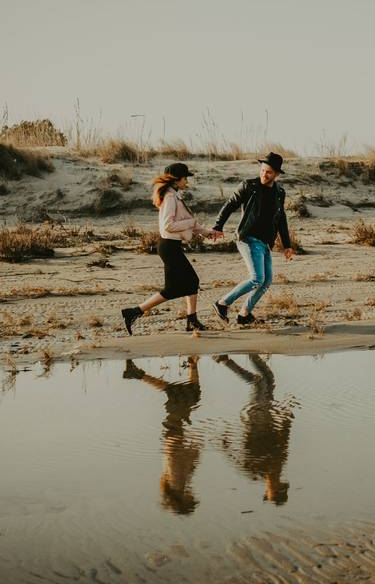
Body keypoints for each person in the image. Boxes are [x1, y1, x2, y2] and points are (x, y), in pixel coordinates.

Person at [121, 163, 220, 335]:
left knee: (191, 282)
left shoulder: (175, 196)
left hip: (171, 247)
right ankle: (134, 312)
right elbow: (169, 226)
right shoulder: (170, 197)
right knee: (174, 289)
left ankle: (192, 321)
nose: (187, 182)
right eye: (185, 178)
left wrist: (206, 232)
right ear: (177, 179)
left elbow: (186, 222)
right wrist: (192, 223)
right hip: (168, 247)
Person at [211, 152, 295, 325]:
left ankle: (244, 314)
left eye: (269, 172)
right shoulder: (249, 186)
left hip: (265, 242)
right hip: (248, 238)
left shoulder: (280, 192)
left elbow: (281, 219)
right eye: (263, 170)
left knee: (266, 281)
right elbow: (229, 205)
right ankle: (222, 303)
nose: (264, 174)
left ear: (277, 174)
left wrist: (287, 245)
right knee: (257, 278)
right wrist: (218, 226)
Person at [123, 357, 202, 515]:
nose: (192, 496)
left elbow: (176, 461)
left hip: (174, 436)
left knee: (191, 393)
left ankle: (193, 362)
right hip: (172, 434)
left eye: (190, 500)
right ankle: (137, 374)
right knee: (180, 392)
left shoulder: (177, 483)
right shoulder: (174, 485)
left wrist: (193, 452)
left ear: (183, 500)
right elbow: (183, 462)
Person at [212, 354, 294, 505]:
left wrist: (225, 445)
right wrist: (287, 419)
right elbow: (283, 442)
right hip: (267, 417)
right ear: (279, 485)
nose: (270, 485)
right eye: (275, 487)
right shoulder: (276, 467)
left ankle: (227, 360)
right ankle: (250, 356)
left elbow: (235, 458)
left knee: (259, 382)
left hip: (255, 421)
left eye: (270, 488)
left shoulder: (255, 473)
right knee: (269, 379)